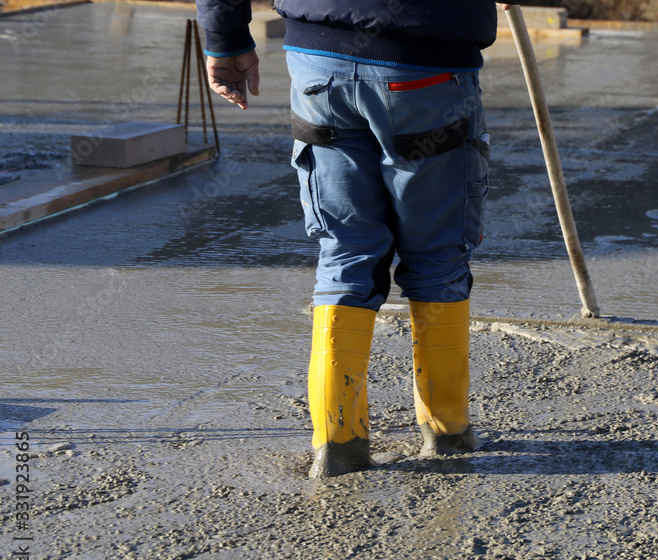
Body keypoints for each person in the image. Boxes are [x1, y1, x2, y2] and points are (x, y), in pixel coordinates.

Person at [195, 0, 513, 478]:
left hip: (319, 64)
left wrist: (225, 38)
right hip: (424, 61)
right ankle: (447, 432)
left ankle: (338, 442)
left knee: (345, 251)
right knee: (437, 255)